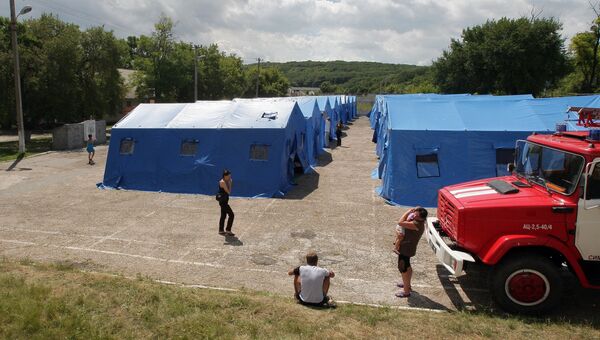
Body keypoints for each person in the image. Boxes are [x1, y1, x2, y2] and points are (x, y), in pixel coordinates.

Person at [395, 206, 428, 298]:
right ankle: (407, 284)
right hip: (408, 248)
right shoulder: (419, 222)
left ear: (419, 217)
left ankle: (406, 291)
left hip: (406, 249)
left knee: (403, 268)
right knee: (407, 266)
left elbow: (400, 222)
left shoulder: (416, 224)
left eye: (415, 214)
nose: (413, 215)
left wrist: (408, 211)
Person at [217, 169, 235, 236]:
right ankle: (228, 230)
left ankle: (221, 230)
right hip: (223, 202)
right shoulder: (222, 182)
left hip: (225, 200)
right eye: (229, 175)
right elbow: (228, 192)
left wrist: (229, 182)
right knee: (232, 215)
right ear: (225, 176)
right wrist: (230, 184)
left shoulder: (227, 180)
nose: (230, 176)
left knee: (223, 215)